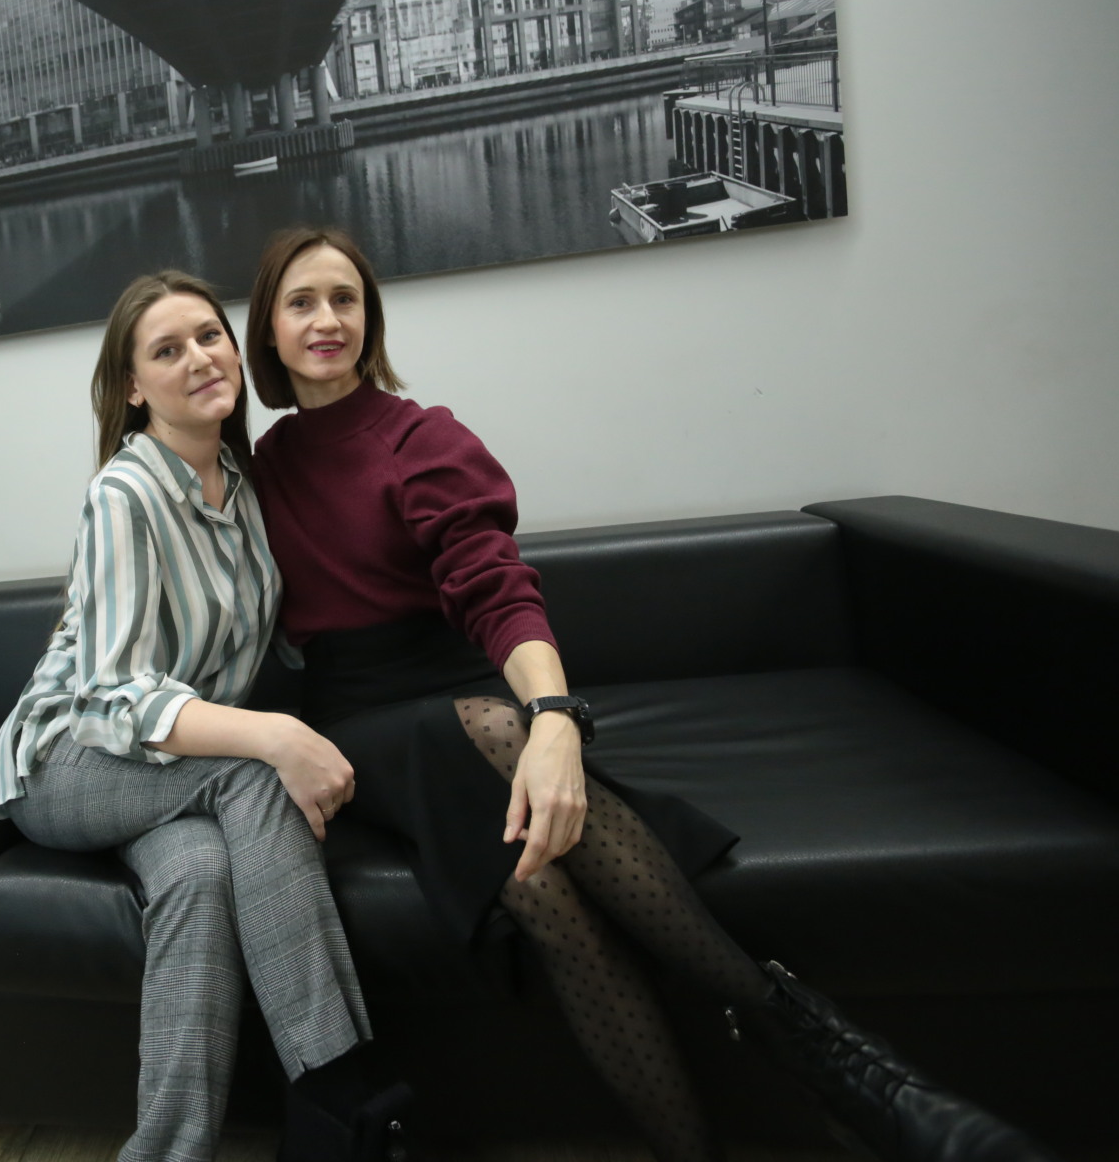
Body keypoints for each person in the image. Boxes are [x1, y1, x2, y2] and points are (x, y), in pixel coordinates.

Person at [242, 226, 1054, 1162]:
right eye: (302, 302)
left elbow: (495, 587)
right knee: (488, 738)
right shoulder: (258, 475)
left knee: (551, 902)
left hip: (468, 697)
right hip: (361, 725)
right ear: (269, 329)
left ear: (370, 318)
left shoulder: (423, 437)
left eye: (345, 298)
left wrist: (553, 720)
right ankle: (847, 1065)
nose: (328, 319)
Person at [0, 270, 383, 1162]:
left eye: (209, 336)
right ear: (134, 386)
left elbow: (273, 641)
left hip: (165, 773)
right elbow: (113, 694)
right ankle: (341, 1103)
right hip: (67, 759)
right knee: (255, 779)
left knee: (200, 874)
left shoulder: (243, 487)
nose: (201, 358)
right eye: (167, 350)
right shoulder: (125, 492)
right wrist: (275, 736)